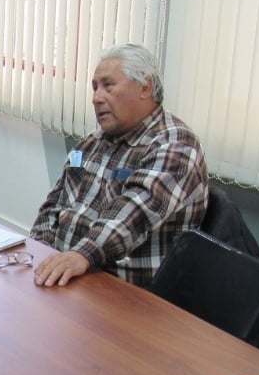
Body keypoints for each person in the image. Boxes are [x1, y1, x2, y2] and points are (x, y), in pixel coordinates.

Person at [30, 43, 208, 287]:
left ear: (145, 87)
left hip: (124, 292)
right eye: (94, 88)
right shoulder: (91, 143)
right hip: (69, 274)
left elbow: (132, 215)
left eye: (108, 85)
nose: (96, 98)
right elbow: (54, 206)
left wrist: (80, 255)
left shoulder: (175, 145)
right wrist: (36, 252)